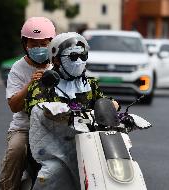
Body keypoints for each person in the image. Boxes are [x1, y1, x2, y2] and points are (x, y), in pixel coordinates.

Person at [24, 32, 119, 189]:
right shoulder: (43, 84)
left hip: (89, 144)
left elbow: (104, 102)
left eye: (83, 56)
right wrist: (57, 114)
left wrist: (112, 106)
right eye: (73, 57)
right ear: (55, 59)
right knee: (54, 172)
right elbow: (35, 109)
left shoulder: (90, 84)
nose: (79, 61)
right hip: (53, 147)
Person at [0, 17, 56, 190]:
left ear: (52, 43)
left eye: (43, 43)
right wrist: (30, 84)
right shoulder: (18, 68)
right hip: (25, 128)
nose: (39, 48)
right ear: (25, 44)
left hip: (56, 127)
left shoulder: (60, 65)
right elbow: (14, 106)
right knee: (16, 151)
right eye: (33, 44)